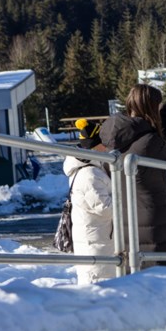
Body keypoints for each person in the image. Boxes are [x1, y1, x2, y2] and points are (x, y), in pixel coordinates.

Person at [100, 84, 166, 265]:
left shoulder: (117, 138)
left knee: (143, 276)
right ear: (152, 107)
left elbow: (153, 149)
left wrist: (165, 121)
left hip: (128, 220)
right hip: (159, 219)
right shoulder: (149, 140)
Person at [63, 119, 114, 284]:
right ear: (94, 146)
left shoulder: (91, 169)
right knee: (97, 285)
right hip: (95, 243)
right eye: (103, 144)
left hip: (98, 238)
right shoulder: (90, 175)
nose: (107, 148)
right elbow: (105, 208)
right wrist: (127, 201)